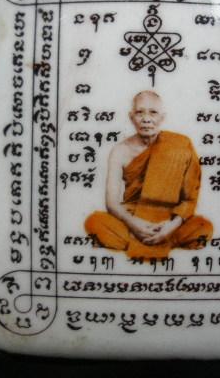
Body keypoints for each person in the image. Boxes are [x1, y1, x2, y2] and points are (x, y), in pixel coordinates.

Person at [85, 90, 213, 258]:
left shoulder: (181, 144)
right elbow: (112, 203)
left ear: (162, 117)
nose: (146, 119)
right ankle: (162, 241)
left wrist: (171, 226)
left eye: (153, 112)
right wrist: (135, 224)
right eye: (140, 112)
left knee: (203, 226)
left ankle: (155, 239)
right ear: (131, 117)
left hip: (169, 219)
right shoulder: (120, 151)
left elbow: (189, 199)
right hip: (133, 217)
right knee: (94, 221)